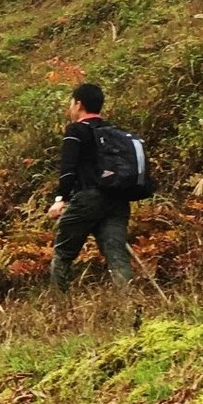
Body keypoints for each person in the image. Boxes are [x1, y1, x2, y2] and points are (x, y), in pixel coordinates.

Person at [46, 82, 133, 291]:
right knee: (117, 254)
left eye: (71, 103)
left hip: (87, 199)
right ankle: (129, 302)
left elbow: (68, 170)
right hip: (118, 198)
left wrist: (60, 200)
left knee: (64, 252)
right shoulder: (114, 131)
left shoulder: (76, 131)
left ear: (78, 104)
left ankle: (58, 305)